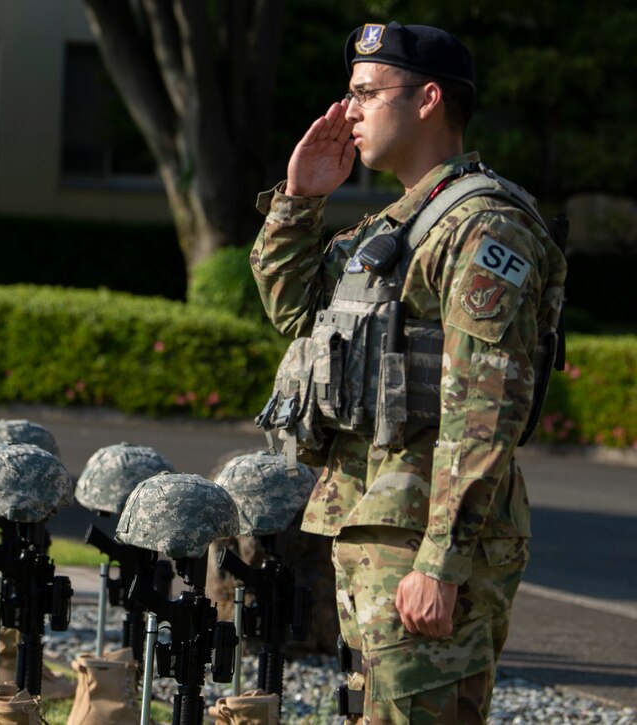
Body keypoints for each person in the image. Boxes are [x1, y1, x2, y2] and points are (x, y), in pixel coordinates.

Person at [249, 21, 566, 724]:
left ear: (427, 99)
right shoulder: (389, 227)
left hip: (423, 538)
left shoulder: (485, 228)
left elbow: (484, 409)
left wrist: (442, 563)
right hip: (371, 526)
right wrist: (300, 200)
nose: (349, 111)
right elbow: (294, 313)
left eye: (365, 93)